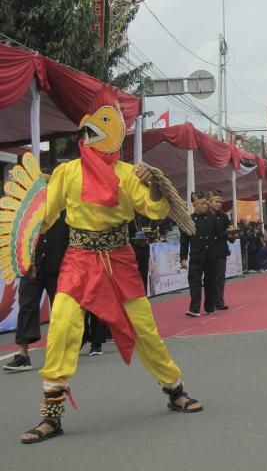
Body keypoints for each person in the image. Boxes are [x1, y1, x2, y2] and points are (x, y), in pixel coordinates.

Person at [14, 86, 202, 445]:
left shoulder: (131, 174)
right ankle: (51, 415)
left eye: (99, 125)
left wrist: (157, 188)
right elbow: (47, 216)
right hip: (78, 260)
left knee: (144, 329)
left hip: (118, 260)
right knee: (63, 327)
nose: (88, 132)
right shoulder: (68, 173)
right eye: (87, 127)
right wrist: (25, 247)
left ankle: (175, 388)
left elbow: (157, 211)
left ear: (114, 132)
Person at [3, 212, 68, 373]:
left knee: (61, 310)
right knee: (26, 305)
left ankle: (61, 353)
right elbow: (20, 233)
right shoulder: (31, 204)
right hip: (32, 265)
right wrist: (25, 260)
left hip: (60, 265)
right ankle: (23, 354)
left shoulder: (66, 204)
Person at [180, 192, 223, 316]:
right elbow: (184, 240)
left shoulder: (212, 218)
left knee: (211, 282)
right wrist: (183, 258)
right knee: (195, 283)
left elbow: (219, 234)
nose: (205, 206)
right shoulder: (188, 220)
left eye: (206, 203)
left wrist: (229, 236)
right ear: (195, 205)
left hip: (211, 256)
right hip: (196, 255)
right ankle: (194, 308)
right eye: (202, 204)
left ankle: (210, 307)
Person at [207, 189, 234, 310]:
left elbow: (228, 234)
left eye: (220, 202)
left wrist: (232, 236)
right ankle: (209, 302)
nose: (218, 204)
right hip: (207, 251)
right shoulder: (205, 216)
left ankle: (219, 301)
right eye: (216, 202)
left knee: (219, 278)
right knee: (208, 278)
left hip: (220, 251)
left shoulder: (224, 217)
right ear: (209, 202)